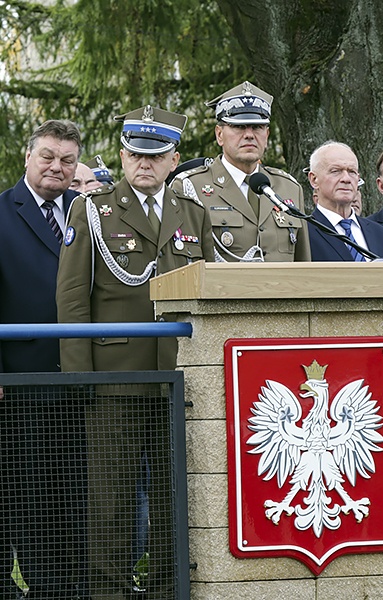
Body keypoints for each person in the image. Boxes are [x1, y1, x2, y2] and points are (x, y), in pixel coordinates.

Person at [56, 105, 214, 600]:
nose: (142, 164)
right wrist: (81, 377)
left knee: (176, 495)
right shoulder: (94, 210)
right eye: (133, 154)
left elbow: (208, 296)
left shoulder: (193, 214)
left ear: (174, 160)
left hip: (182, 379)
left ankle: (170, 588)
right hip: (114, 377)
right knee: (112, 499)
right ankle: (110, 592)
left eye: (155, 155)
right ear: (123, 157)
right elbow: (73, 297)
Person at [0, 119, 86, 599]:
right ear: (27, 157)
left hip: (81, 381)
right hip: (19, 382)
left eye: (67, 160)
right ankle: (36, 587)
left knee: (77, 496)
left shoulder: (86, 210)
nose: (57, 167)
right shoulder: (0, 212)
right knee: (27, 496)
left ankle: (68, 588)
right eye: (48, 156)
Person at [170, 81, 311, 262]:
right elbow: (184, 267)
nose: (249, 135)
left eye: (257, 127)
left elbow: (303, 265)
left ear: (267, 135)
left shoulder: (289, 188)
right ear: (219, 135)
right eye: (239, 127)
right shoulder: (190, 187)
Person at [306, 141, 383, 261]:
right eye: (335, 171)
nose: (346, 179)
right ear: (314, 180)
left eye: (352, 172)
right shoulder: (304, 234)